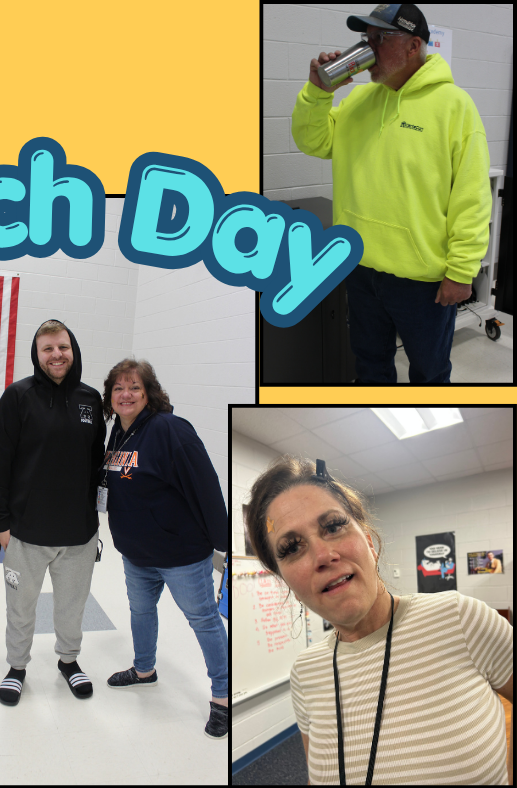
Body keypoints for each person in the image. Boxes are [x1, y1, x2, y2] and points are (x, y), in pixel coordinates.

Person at [245, 456, 514, 785]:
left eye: (333, 526)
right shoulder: (305, 674)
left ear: (369, 542)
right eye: (291, 548)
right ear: (288, 583)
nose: (323, 556)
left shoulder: (460, 618)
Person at [291, 4, 491, 383]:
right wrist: (319, 93)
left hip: (423, 282)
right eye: (365, 40)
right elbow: (312, 141)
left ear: (414, 46)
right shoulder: (360, 102)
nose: (368, 50)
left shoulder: (455, 107)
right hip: (361, 269)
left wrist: (462, 270)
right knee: (369, 368)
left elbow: (472, 197)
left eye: (379, 39)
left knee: (430, 374)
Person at [100, 359, 229, 739]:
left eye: (135, 388)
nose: (126, 394)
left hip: (181, 556)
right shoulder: (117, 433)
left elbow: (206, 486)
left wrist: (223, 545)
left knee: (203, 621)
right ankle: (144, 670)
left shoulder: (171, 430)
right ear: (110, 396)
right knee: (140, 613)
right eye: (119, 388)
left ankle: (222, 697)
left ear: (149, 393)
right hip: (137, 555)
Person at [0, 319, 106, 705]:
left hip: (78, 535)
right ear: (36, 356)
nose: (57, 355)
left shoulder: (90, 399)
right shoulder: (18, 396)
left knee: (72, 606)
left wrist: (94, 522)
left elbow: (95, 466)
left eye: (63, 347)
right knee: (21, 607)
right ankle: (17, 667)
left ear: (74, 351)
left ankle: (69, 661)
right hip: (24, 535)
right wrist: (1, 526)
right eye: (48, 349)